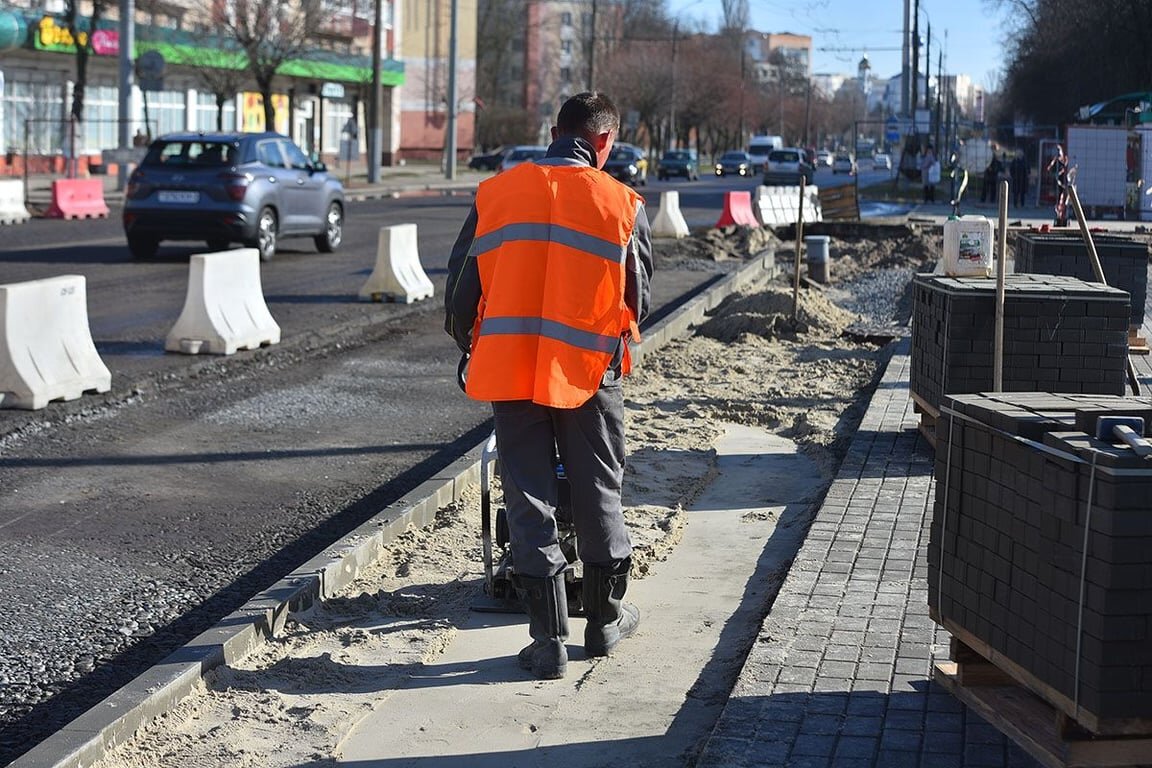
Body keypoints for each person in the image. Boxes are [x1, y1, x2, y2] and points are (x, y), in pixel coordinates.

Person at [444, 91, 654, 680]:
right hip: (591, 375)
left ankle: (546, 642)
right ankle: (605, 621)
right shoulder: (622, 203)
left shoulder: (496, 194)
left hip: (512, 370)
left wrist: (470, 344)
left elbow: (462, 290)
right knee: (598, 488)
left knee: (528, 493)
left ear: (553, 132)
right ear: (604, 143)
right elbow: (640, 298)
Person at [1047, 143, 1070, 226]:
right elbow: (1050, 170)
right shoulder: (1056, 162)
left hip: (1062, 184)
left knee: (1063, 200)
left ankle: (1061, 216)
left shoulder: (1062, 162)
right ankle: (1058, 216)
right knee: (1058, 200)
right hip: (1058, 184)